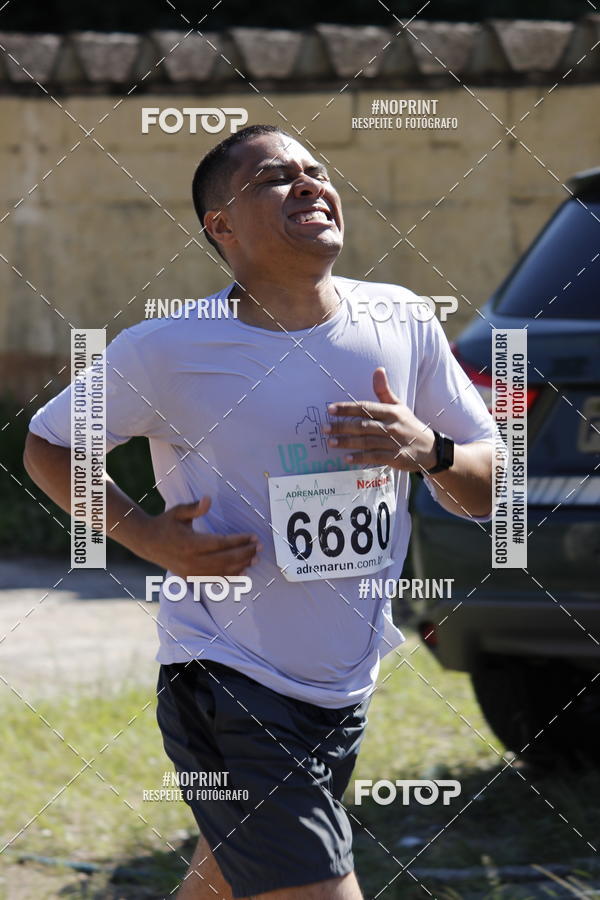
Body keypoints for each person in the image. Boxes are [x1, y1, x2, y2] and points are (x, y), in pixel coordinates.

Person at [24, 124, 499, 900]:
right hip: (229, 676)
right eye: (278, 178)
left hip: (343, 680)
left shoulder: (402, 319)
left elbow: (492, 486)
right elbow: (48, 445)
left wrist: (430, 450)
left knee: (221, 884)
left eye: (317, 170)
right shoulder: (168, 348)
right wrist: (142, 534)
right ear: (223, 227)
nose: (311, 184)